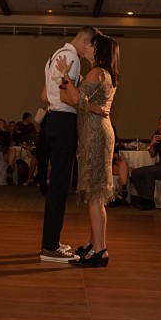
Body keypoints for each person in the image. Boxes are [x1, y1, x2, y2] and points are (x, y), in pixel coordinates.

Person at [55, 32, 119, 268]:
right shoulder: (103, 73)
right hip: (98, 131)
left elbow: (74, 98)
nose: (87, 48)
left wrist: (63, 74)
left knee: (94, 194)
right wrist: (92, 105)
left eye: (92, 46)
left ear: (99, 51)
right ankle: (95, 243)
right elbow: (86, 100)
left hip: (94, 135)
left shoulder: (97, 72)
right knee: (97, 194)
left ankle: (100, 250)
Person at [38, 26, 99, 263]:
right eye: (91, 47)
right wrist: (89, 106)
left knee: (58, 185)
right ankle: (50, 247)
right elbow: (68, 97)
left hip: (52, 120)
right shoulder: (72, 57)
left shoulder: (54, 55)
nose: (89, 52)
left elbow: (45, 95)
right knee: (60, 187)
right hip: (63, 122)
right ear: (85, 41)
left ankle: (50, 241)